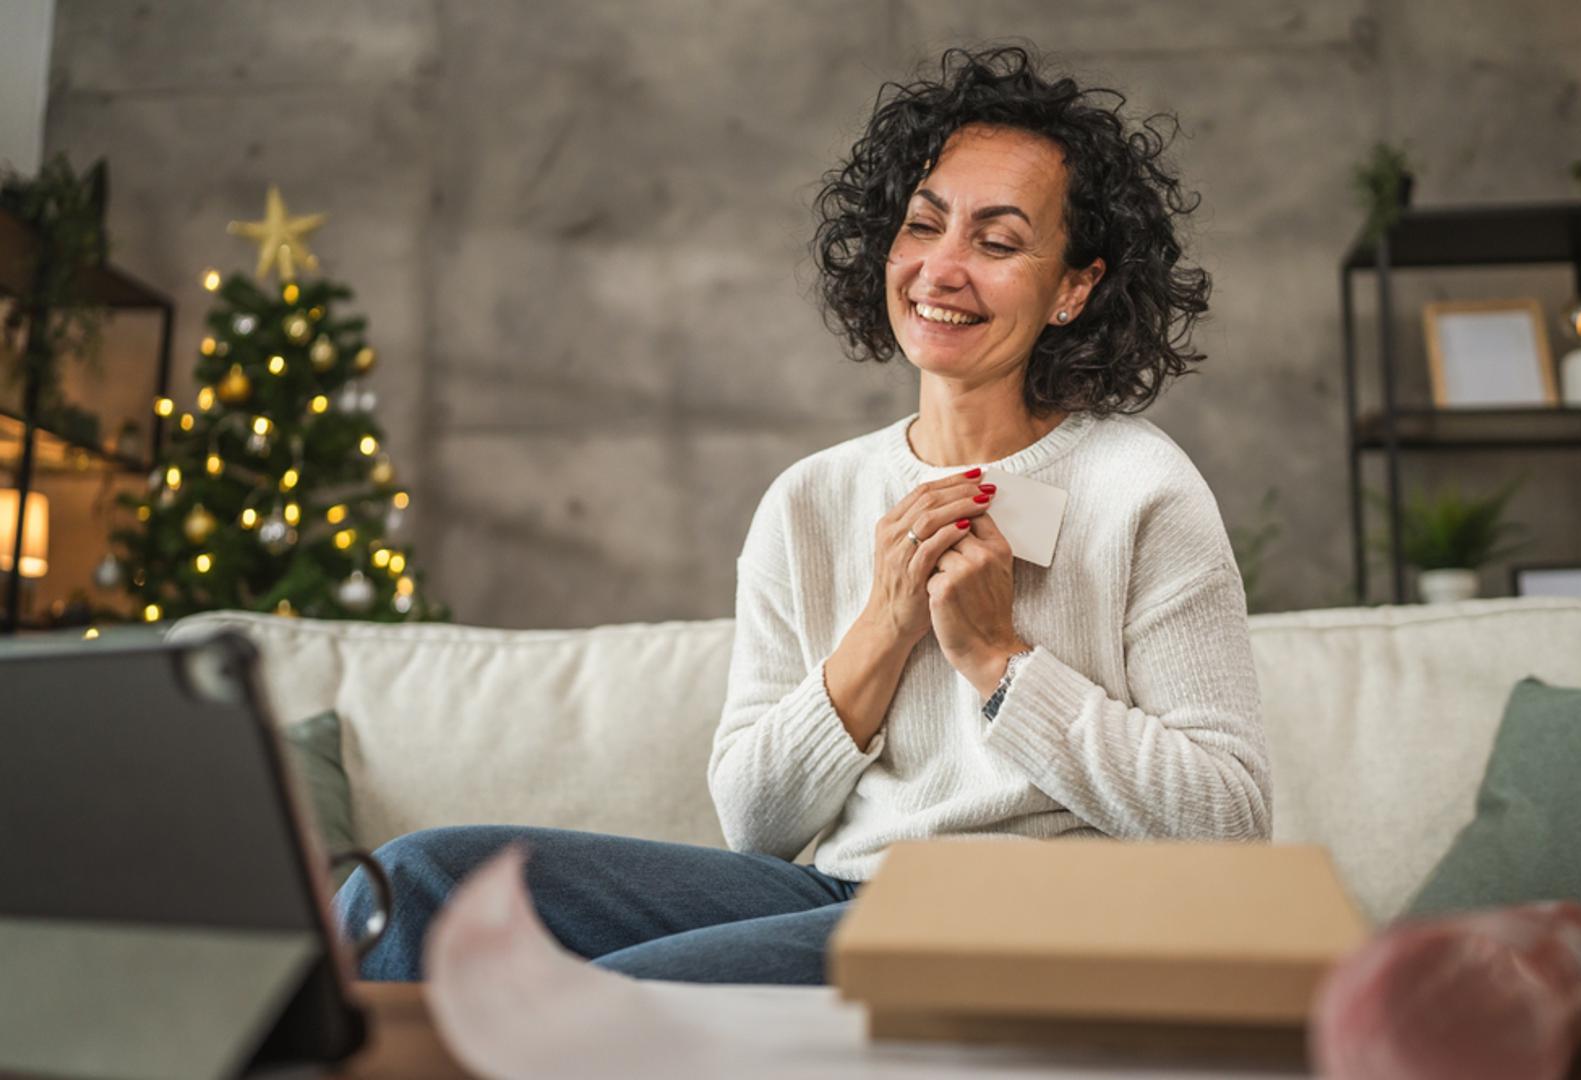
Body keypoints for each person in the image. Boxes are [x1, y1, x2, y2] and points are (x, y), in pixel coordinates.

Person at [335, 43, 1271, 986]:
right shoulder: (810, 498)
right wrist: (885, 622)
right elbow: (757, 824)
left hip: (1036, 916)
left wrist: (998, 661)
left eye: (996, 242)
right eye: (924, 225)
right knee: (415, 884)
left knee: (634, 992)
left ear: (1073, 286)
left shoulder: (1140, 486)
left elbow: (1232, 820)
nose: (941, 270)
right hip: (843, 893)